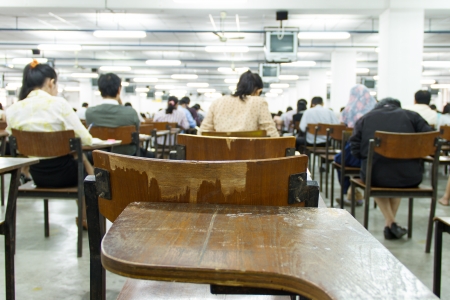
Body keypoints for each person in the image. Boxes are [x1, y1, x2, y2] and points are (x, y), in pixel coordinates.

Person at [5, 60, 94, 227]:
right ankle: (87, 218)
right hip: (67, 175)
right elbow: (86, 139)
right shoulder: (59, 105)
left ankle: (84, 218)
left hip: (36, 174)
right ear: (51, 82)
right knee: (83, 160)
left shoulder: (13, 110)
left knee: (78, 157)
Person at [350, 98, 432, 239]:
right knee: (398, 172)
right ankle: (390, 225)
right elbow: (430, 141)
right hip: (410, 176)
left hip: (374, 175)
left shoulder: (365, 118)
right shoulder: (413, 116)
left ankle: (390, 221)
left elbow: (355, 149)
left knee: (378, 173)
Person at [86, 73, 152, 157]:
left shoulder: (89, 113)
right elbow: (137, 133)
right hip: (127, 158)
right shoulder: (131, 113)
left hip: (100, 158)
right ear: (119, 89)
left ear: (100, 90)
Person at [199, 71, 279, 137]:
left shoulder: (217, 102)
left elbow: (202, 133)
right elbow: (271, 134)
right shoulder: (259, 102)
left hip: (218, 154)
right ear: (258, 91)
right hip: (250, 154)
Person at [334, 84, 377, 206]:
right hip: (374, 154)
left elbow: (342, 127)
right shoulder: (374, 110)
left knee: (339, 160)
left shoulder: (348, 110)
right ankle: (353, 192)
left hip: (355, 150)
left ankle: (349, 191)